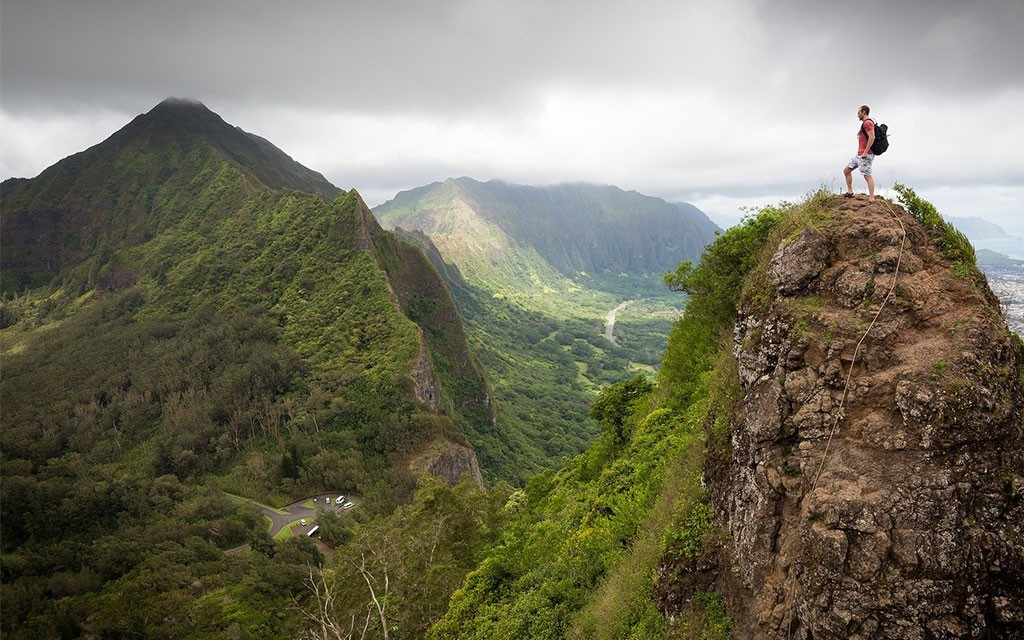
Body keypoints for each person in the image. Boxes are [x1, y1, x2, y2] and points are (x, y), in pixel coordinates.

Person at [843, 105, 876, 202]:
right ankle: (850, 192)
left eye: (859, 113)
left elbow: (872, 137)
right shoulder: (865, 124)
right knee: (846, 170)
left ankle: (871, 198)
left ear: (864, 112)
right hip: (859, 154)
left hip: (866, 154)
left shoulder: (868, 123)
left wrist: (866, 151)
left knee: (867, 175)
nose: (858, 115)